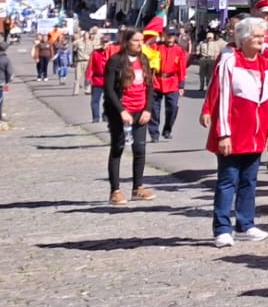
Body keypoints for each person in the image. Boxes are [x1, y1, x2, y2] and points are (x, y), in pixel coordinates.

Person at [202, 16, 268, 247]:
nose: (262, 40)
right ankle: (222, 228)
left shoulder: (267, 66)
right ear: (244, 38)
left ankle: (246, 223)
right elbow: (222, 99)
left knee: (249, 181)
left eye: (263, 36)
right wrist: (223, 134)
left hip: (256, 136)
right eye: (257, 36)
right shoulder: (230, 61)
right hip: (233, 134)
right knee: (228, 181)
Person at [102, 28, 157, 205]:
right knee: (117, 148)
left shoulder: (144, 59)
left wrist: (148, 109)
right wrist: (121, 111)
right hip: (121, 112)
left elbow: (149, 86)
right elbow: (109, 90)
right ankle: (115, 190)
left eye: (141, 40)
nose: (140, 44)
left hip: (140, 110)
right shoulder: (115, 61)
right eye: (136, 40)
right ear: (126, 42)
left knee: (140, 149)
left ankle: (138, 188)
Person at [149, 27, 188, 140]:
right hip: (156, 81)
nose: (170, 37)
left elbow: (182, 68)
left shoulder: (179, 50)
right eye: (168, 34)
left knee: (173, 107)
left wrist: (181, 85)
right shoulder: (156, 47)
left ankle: (167, 129)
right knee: (154, 109)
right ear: (164, 35)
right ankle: (154, 133)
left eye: (172, 35)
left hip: (172, 82)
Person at [193, 25, 227, 93]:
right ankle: (201, 87)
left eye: (210, 38)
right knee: (202, 74)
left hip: (211, 60)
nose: (209, 39)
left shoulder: (215, 44)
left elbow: (217, 52)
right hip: (203, 59)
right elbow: (198, 49)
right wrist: (197, 52)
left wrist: (216, 58)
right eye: (208, 37)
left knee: (209, 74)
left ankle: (208, 87)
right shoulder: (202, 43)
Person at [71, 30, 94, 96]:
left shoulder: (91, 43)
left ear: (89, 36)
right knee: (77, 77)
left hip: (87, 61)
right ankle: (75, 91)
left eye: (87, 35)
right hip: (79, 61)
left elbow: (93, 52)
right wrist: (79, 38)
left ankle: (87, 90)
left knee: (88, 76)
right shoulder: (79, 42)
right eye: (84, 35)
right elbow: (74, 45)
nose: (85, 36)